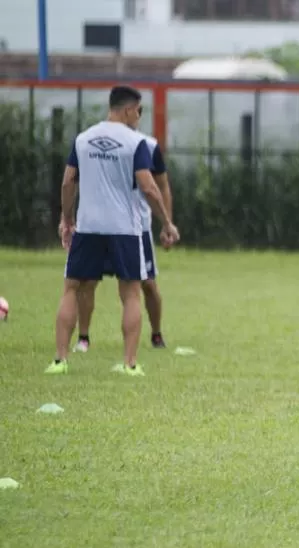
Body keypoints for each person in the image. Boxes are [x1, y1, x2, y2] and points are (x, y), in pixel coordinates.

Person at [48, 85, 179, 376]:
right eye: (139, 111)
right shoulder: (135, 143)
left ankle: (60, 360)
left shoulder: (83, 139)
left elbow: (68, 182)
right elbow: (148, 186)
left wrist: (66, 220)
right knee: (131, 294)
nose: (138, 118)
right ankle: (130, 363)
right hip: (125, 229)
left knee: (72, 288)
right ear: (129, 110)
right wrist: (166, 222)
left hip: (89, 226)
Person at [74, 132, 172, 353]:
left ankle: (156, 334)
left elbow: (161, 185)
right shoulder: (93, 141)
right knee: (87, 281)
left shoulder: (147, 145)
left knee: (146, 284)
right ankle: (83, 338)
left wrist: (167, 223)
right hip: (100, 226)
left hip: (137, 227)